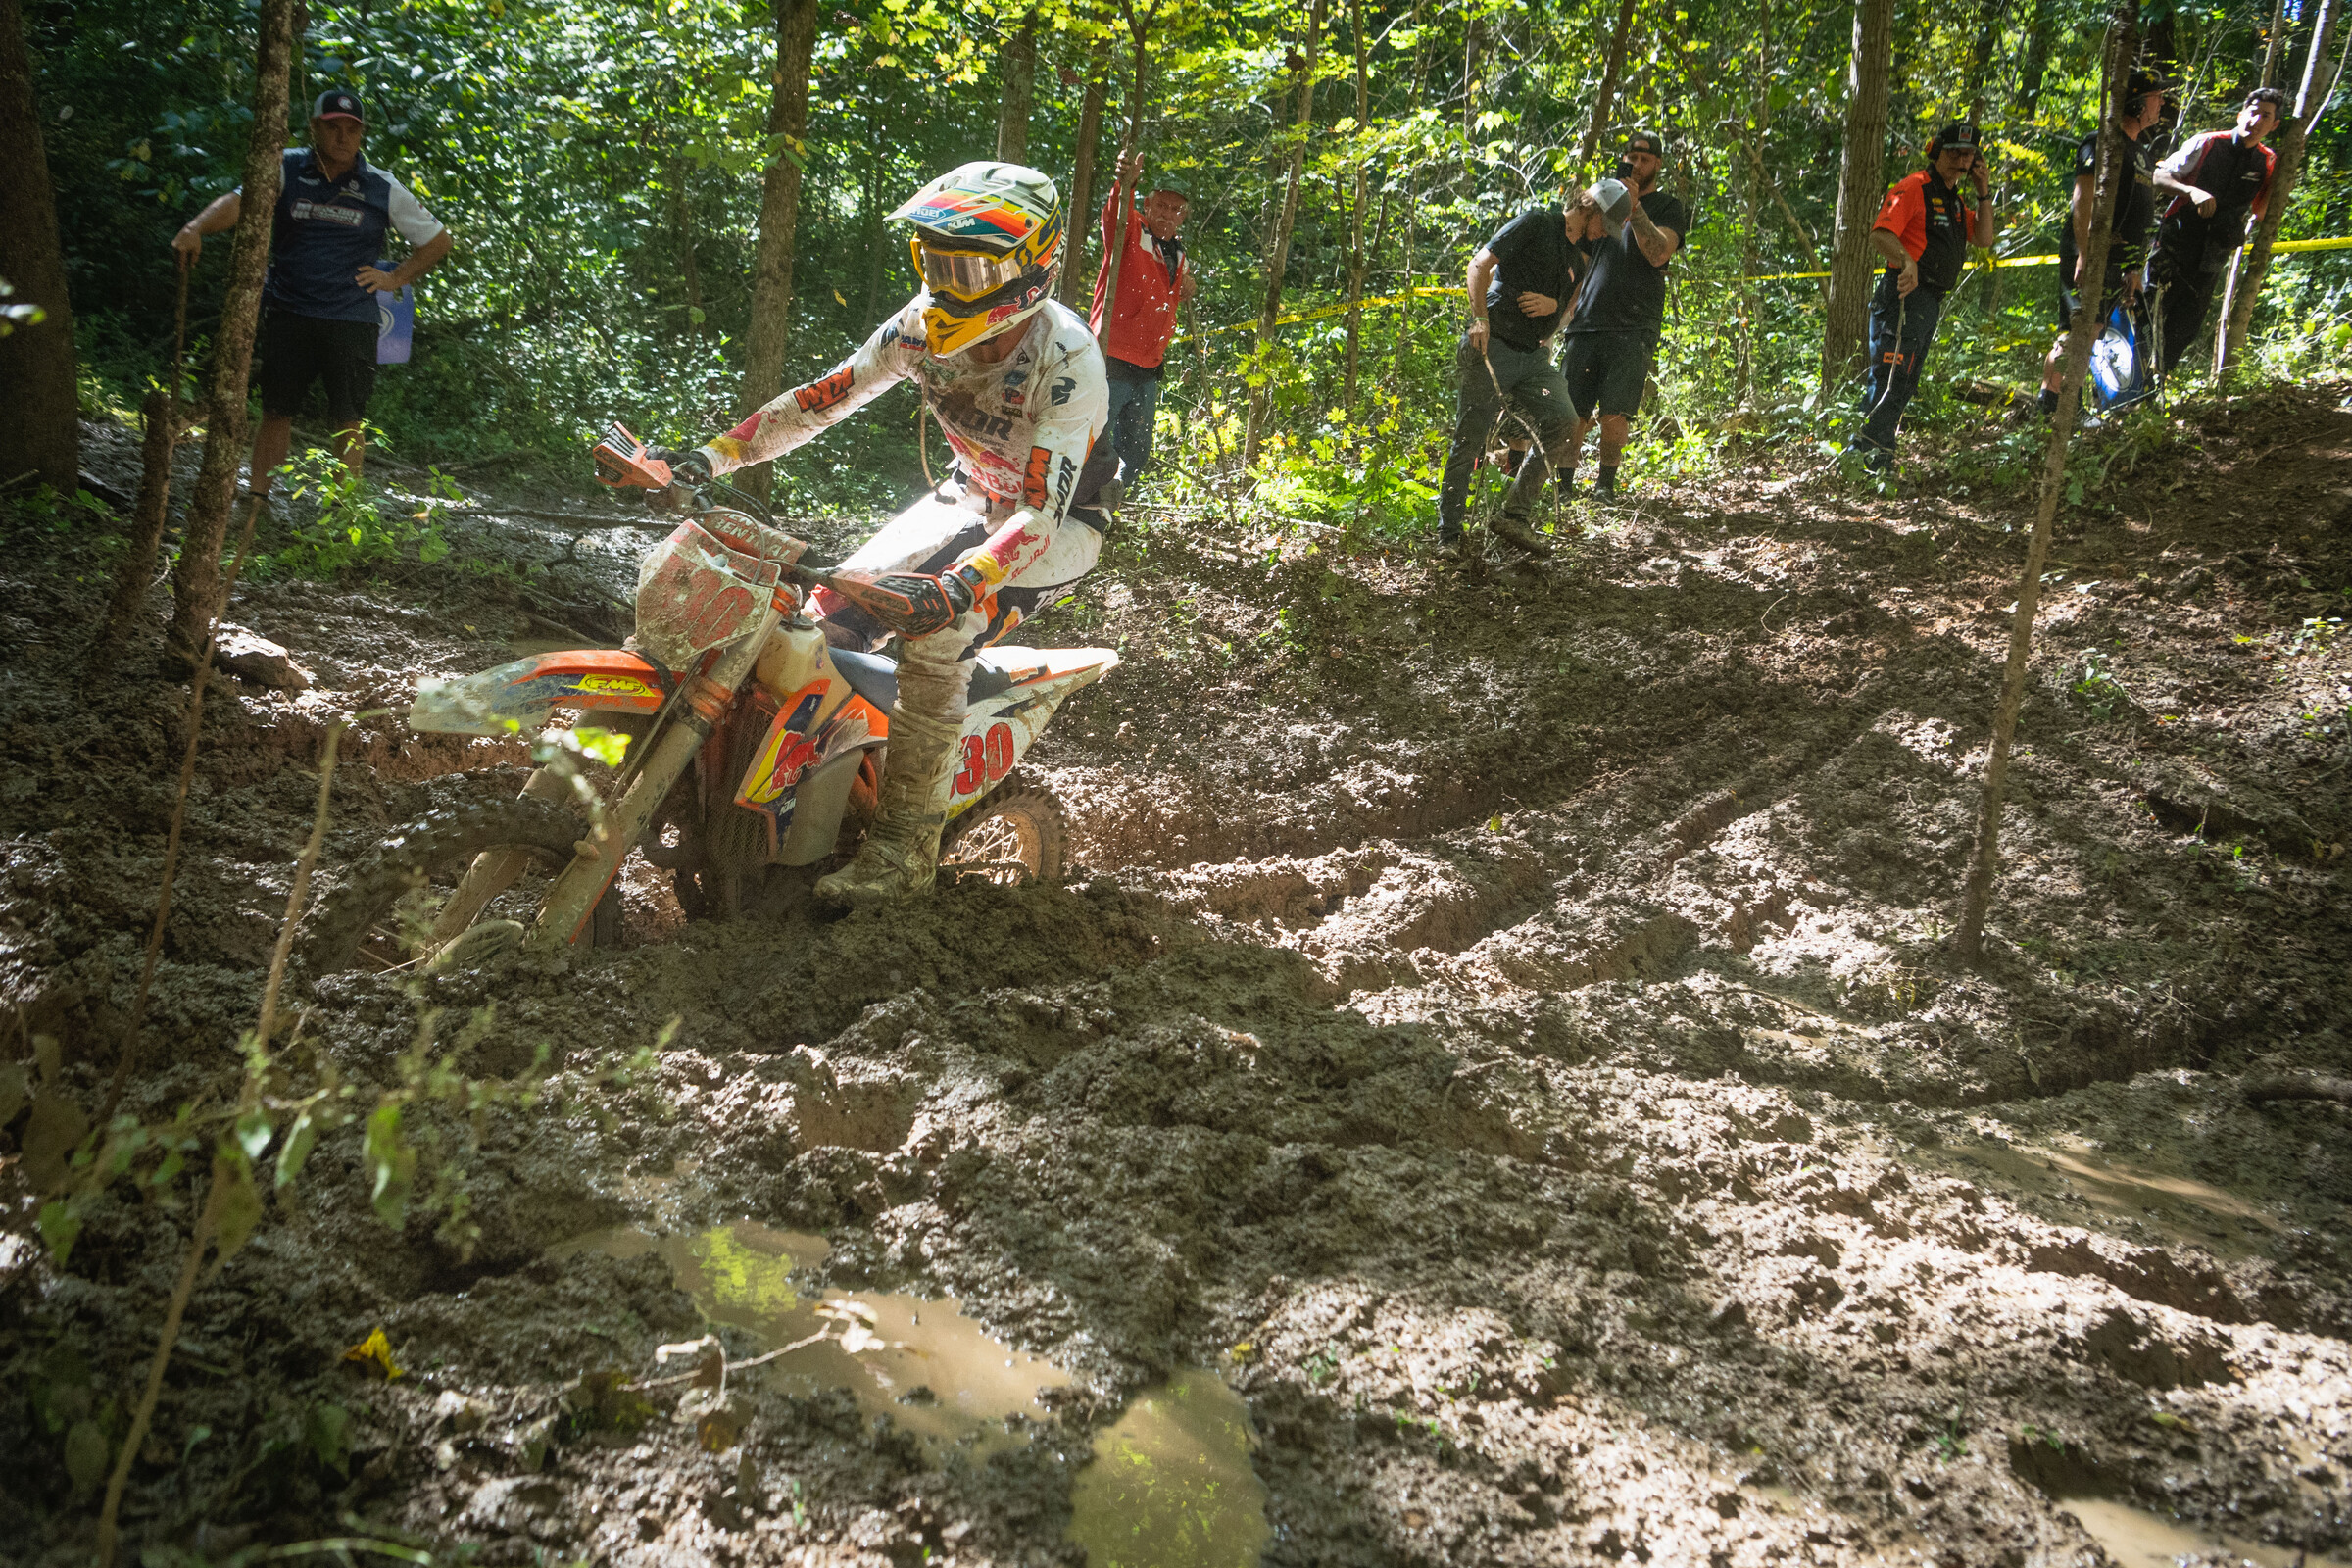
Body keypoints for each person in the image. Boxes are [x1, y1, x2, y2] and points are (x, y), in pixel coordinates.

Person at [661, 162, 1112, 909]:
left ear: (1031, 267)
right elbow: (822, 400)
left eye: (970, 269)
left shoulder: (1067, 360)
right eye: (937, 262)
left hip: (1057, 526)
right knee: (814, 623)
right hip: (969, 494)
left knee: (940, 633)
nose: (949, 285)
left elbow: (1038, 515)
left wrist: (962, 585)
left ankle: (903, 850)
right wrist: (713, 455)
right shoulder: (920, 326)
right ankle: (802, 795)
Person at [172, 89, 451, 499]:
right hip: (291, 311)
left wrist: (395, 278)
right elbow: (240, 202)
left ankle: (344, 510)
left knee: (348, 419)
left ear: (361, 134)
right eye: (333, 127)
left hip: (352, 318)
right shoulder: (286, 167)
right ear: (315, 127)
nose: (342, 137)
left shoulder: (381, 185)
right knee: (276, 410)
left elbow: (437, 241)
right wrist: (195, 228)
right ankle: (258, 500)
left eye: (352, 130)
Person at [1433, 179, 1626, 561]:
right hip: (1494, 347)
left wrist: (1553, 307)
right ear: (1590, 209)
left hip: (1533, 360)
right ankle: (1448, 536)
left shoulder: (1576, 260)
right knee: (1469, 439)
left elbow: (1563, 313)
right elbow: (1478, 265)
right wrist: (1479, 320)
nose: (1604, 234)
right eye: (1604, 224)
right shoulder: (1537, 223)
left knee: (1565, 420)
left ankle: (1514, 515)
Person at [1850, 124, 1998, 469]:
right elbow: (1881, 234)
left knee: (1904, 383)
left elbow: (1984, 238)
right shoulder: (1914, 187)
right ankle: (1867, 462)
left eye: (1968, 155)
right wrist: (1907, 260)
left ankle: (1875, 461)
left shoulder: (1956, 201)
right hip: (1902, 297)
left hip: (1929, 302)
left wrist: (1983, 192)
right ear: (1937, 152)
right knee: (1889, 380)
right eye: (1954, 152)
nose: (1962, 161)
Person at [1556, 130, 1688, 501]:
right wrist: (1561, 314)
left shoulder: (1668, 207)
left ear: (1658, 163)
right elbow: (1580, 261)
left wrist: (1636, 208)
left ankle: (1605, 487)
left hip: (1634, 323)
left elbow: (1660, 253)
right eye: (1631, 157)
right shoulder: (1602, 202)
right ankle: (1563, 487)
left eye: (1645, 159)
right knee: (1573, 411)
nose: (1637, 164)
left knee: (1615, 412)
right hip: (1586, 320)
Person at [2038, 73, 2165, 416]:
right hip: (2090, 253)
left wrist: (2134, 267)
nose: (2161, 103)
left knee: (2094, 329)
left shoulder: (2142, 153)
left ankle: (2069, 404)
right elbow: (2082, 200)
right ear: (2137, 103)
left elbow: (2138, 212)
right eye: (2156, 97)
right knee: (2076, 329)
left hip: (2120, 260)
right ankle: (2052, 404)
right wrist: (2083, 252)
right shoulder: (2101, 143)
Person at [2147, 87, 2284, 377]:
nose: (2256, 120)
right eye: (2253, 112)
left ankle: (2153, 388)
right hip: (2174, 245)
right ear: (2241, 114)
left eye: (2265, 116)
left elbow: (2262, 213)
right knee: (2147, 317)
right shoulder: (2207, 142)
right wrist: (2191, 191)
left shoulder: (2268, 161)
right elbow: (2158, 176)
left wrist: (2282, 182)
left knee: (2184, 328)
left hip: (2212, 256)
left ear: (2274, 125)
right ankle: (2120, 390)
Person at [1089, 151, 1195, 490]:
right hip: (1113, 357)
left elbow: (1164, 290)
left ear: (1183, 216)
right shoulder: (1131, 229)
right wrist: (1125, 183)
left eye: (1175, 209)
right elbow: (1114, 216)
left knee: (1136, 451)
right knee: (1093, 442)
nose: (1167, 213)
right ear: (1147, 204)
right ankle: (1082, 503)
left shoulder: (1178, 253)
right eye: (1161, 205)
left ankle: (1113, 503)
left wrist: (1186, 283)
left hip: (1149, 367)